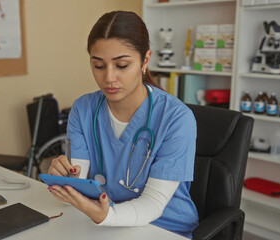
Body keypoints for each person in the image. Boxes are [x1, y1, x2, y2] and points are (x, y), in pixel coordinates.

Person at [47, 11, 198, 239]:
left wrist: (105, 216)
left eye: (122, 65)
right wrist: (65, 182)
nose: (109, 78)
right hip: (105, 224)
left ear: (145, 60)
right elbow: (78, 182)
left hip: (163, 229)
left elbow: (153, 204)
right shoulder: (83, 110)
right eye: (99, 66)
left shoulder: (176, 118)